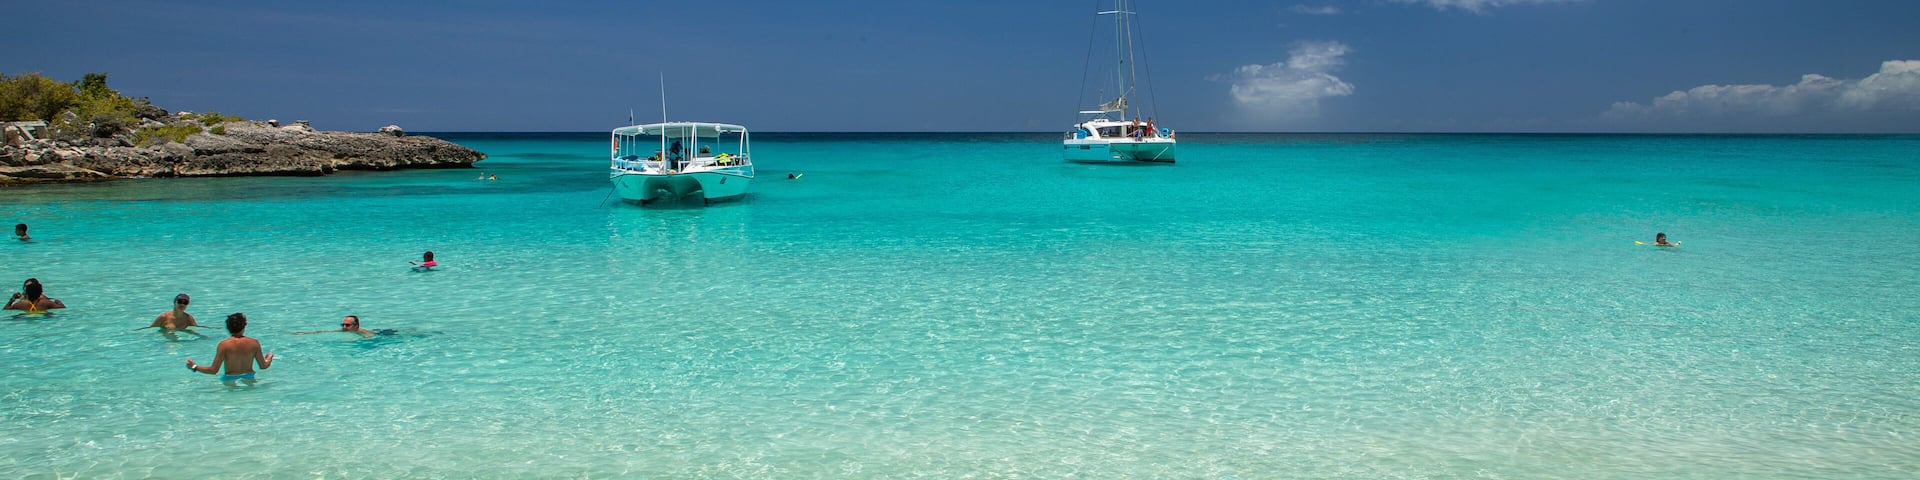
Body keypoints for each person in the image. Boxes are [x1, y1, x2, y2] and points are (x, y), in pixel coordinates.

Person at [186, 313, 274, 386]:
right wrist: (269, 358)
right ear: (244, 326)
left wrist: (194, 367)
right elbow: (263, 366)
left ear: (228, 328)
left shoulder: (224, 345)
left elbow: (213, 370)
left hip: (230, 378)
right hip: (249, 377)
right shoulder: (254, 343)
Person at [138, 293, 204, 337]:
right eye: (180, 301)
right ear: (174, 302)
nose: (182, 304)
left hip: (182, 340)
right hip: (168, 341)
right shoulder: (164, 317)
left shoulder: (188, 318)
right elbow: (151, 329)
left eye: (185, 302)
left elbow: (195, 330)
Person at [295, 315, 389, 338]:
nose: (344, 327)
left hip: (382, 334)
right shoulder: (344, 330)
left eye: (347, 325)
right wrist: (304, 333)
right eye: (343, 324)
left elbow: (370, 336)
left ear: (356, 326)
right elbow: (326, 331)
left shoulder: (362, 331)